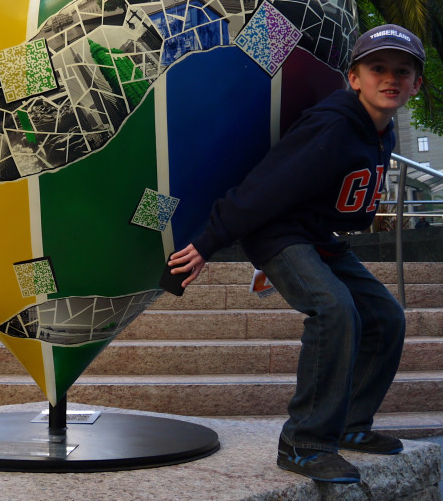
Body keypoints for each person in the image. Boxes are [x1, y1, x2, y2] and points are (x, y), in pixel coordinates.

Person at [168, 24, 424, 484]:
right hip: (277, 231)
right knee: (333, 310)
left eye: (402, 72)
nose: (390, 78)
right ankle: (304, 443)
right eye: (377, 68)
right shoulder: (332, 126)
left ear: (415, 83)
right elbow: (266, 187)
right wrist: (207, 243)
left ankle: (350, 425)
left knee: (386, 317)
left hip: (317, 234)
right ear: (354, 77)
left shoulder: (379, 131)